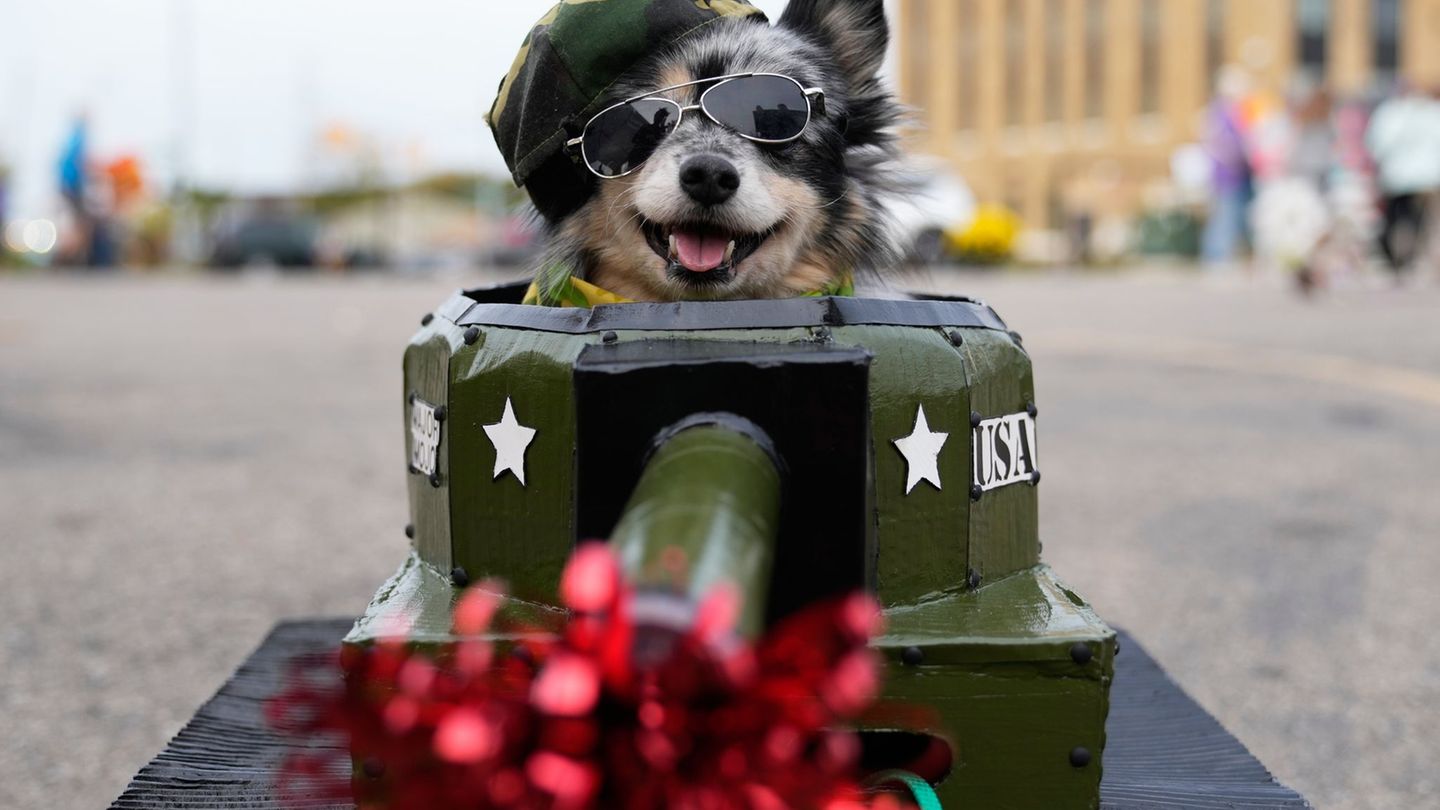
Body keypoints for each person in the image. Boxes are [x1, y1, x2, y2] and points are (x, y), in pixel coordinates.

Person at [1365, 83, 1440, 275]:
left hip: (1397, 176)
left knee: (1397, 218)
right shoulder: (1432, 112)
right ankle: (1413, 258)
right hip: (1426, 177)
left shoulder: (1390, 113)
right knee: (1419, 220)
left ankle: (1401, 258)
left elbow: (1377, 143)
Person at [1201, 67, 1254, 265]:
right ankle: (1217, 257)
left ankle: (1225, 255)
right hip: (1227, 174)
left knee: (1233, 215)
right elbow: (1221, 144)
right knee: (1225, 216)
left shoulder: (1233, 112)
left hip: (1237, 174)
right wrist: (1240, 154)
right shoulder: (1222, 113)